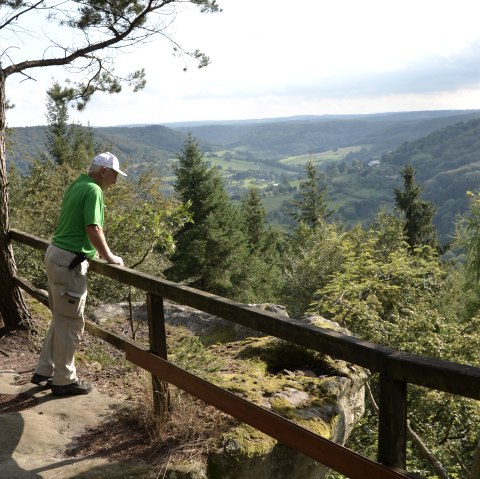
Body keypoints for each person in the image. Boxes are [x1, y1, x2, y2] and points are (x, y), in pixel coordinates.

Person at [31, 152, 126, 395]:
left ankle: (45, 369)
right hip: (69, 261)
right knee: (71, 322)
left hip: (57, 255)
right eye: (114, 174)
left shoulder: (78, 183)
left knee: (61, 317)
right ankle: (64, 380)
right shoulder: (93, 190)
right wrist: (109, 257)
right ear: (104, 171)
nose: (116, 181)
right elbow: (93, 227)